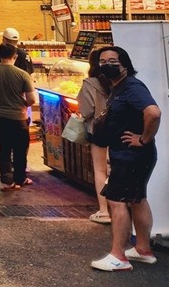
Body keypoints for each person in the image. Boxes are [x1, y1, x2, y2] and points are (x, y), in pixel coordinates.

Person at [89, 46, 161, 272]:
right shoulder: (118, 87)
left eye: (113, 61)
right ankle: (142, 250)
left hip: (132, 155)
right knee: (137, 198)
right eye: (102, 61)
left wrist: (144, 138)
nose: (107, 65)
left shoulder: (131, 87)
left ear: (125, 64)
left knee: (117, 201)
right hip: (133, 156)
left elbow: (154, 112)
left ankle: (118, 256)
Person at [0, 42, 36, 190]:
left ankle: (6, 181)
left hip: (0, 117)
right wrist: (23, 105)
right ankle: (20, 179)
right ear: (15, 56)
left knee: (4, 148)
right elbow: (32, 99)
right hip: (19, 117)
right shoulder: (22, 74)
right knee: (20, 149)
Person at [78, 47, 112, 225]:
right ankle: (120, 207)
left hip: (98, 130)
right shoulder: (117, 81)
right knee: (115, 168)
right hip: (118, 130)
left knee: (100, 170)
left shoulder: (90, 83)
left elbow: (87, 110)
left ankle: (104, 211)